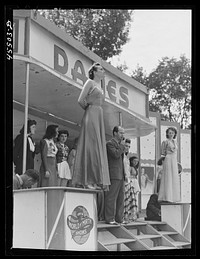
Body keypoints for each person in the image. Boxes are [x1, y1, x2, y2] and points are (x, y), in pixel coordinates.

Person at [72, 63, 110, 190]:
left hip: (98, 114)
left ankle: (95, 179)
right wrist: (88, 109)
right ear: (94, 72)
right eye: (100, 69)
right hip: (92, 113)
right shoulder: (90, 82)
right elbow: (80, 100)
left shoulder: (99, 86)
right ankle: (87, 180)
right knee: (90, 146)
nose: (103, 71)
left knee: (97, 147)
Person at [104, 126, 126, 225]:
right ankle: (109, 218)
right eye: (121, 133)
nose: (122, 135)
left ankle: (119, 218)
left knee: (121, 197)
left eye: (123, 133)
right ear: (115, 133)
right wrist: (121, 146)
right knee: (111, 197)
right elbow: (116, 154)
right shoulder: (109, 144)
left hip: (121, 173)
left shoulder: (119, 144)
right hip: (114, 173)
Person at [158, 127, 181, 203]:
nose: (171, 134)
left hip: (174, 160)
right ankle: (167, 196)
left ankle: (173, 197)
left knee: (174, 177)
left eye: (172, 133)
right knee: (168, 177)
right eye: (170, 133)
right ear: (167, 133)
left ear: (174, 134)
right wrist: (162, 161)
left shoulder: (175, 142)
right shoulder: (165, 142)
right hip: (168, 159)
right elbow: (162, 153)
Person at [123, 139, 138, 223]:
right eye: (126, 146)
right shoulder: (122, 156)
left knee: (130, 199)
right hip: (124, 180)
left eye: (129, 146)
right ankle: (125, 216)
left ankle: (129, 216)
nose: (127, 148)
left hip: (128, 181)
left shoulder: (126, 157)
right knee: (125, 199)